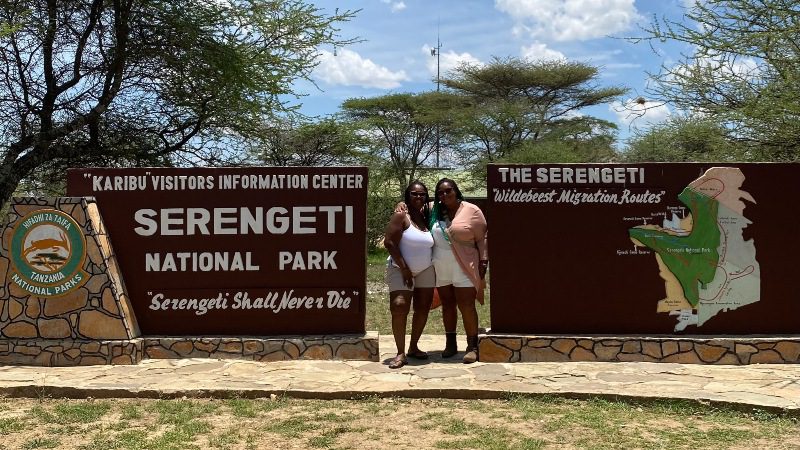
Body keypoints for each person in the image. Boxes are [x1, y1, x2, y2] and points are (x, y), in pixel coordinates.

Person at [429, 178, 488, 363]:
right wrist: (400, 205)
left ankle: (472, 346)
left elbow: (482, 237)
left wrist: (484, 261)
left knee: (466, 305)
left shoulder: (472, 210)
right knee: (447, 305)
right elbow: (410, 206)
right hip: (441, 266)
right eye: (440, 192)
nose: (444, 195)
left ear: (456, 191)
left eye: (448, 191)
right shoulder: (433, 210)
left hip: (464, 265)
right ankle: (450, 343)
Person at [383, 181, 436, 369]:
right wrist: (405, 268)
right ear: (407, 196)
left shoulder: (426, 216)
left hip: (426, 269)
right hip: (400, 269)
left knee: (422, 308)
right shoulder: (401, 216)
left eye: (422, 194)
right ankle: (400, 352)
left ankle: (413, 346)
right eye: (414, 194)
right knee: (399, 306)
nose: (418, 197)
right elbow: (389, 242)